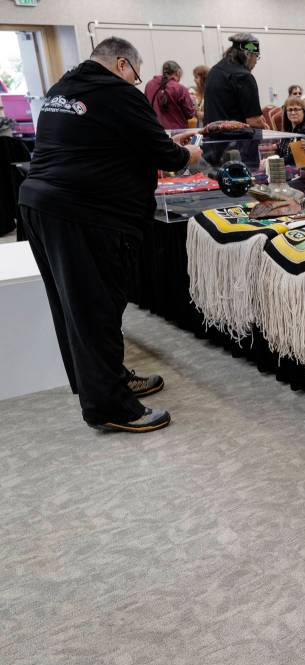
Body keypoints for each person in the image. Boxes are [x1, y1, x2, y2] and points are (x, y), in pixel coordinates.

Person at [18, 37, 201, 432]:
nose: (135, 83)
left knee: (81, 306)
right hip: (81, 214)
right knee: (94, 308)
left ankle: (110, 380)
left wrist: (162, 142)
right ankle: (112, 406)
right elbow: (168, 159)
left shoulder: (62, 88)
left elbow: (107, 141)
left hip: (42, 206)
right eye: (135, 75)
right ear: (122, 64)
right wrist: (189, 155)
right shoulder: (116, 93)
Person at [203, 33, 264, 127]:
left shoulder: (214, 71)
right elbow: (254, 121)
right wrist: (265, 126)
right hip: (235, 138)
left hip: (211, 136)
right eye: (257, 56)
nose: (256, 62)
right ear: (248, 55)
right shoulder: (244, 77)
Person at [143, 60, 195, 130]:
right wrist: (192, 102)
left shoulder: (149, 85)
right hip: (178, 133)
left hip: (155, 131)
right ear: (178, 73)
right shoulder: (180, 88)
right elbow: (190, 114)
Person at [276, 95, 305, 165]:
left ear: (303, 112)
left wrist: (276, 162)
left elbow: (296, 156)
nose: (293, 113)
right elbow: (281, 152)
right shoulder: (287, 131)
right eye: (290, 110)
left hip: (302, 171)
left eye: (296, 109)